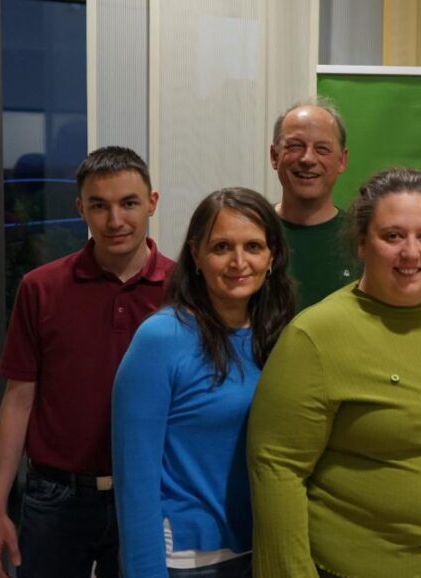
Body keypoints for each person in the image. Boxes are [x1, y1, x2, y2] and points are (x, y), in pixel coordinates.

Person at [247, 168, 421, 578]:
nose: (411, 253)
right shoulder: (316, 334)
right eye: (393, 236)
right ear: (362, 242)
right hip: (354, 566)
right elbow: (276, 468)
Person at [0, 146, 174, 578]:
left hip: (148, 491)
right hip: (55, 497)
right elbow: (18, 400)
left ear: (152, 203)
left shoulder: (184, 290)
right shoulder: (41, 288)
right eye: (99, 206)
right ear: (80, 209)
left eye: (129, 203)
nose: (115, 220)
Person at [111, 188, 295, 577]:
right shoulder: (161, 339)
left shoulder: (282, 335)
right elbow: (135, 480)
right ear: (196, 255)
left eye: (253, 246)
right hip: (187, 559)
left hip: (262, 550)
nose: (239, 262)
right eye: (221, 247)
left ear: (272, 256)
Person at [270, 98, 357, 310]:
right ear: (274, 156)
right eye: (295, 146)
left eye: (322, 149)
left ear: (342, 161)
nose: (307, 159)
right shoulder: (251, 235)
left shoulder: (363, 240)